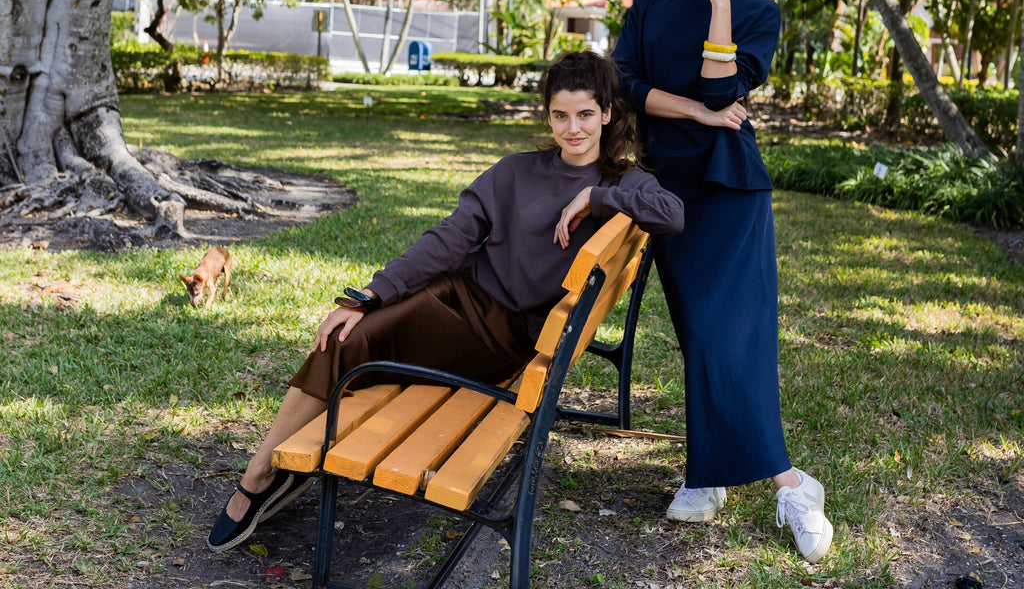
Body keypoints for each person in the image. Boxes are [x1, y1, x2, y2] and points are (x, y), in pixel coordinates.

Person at [207, 49, 685, 553]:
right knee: (347, 334)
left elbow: (671, 214)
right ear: (546, 113)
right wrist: (369, 294)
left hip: (501, 339)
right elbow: (450, 238)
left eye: (586, 114)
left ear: (608, 113)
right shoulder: (515, 172)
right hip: (457, 299)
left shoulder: (624, 181)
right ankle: (271, 468)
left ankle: (259, 478)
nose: (573, 129)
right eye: (560, 115)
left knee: (353, 346)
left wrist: (597, 198)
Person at [611, 0, 833, 563]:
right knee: (697, 336)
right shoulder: (650, 1)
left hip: (730, 188)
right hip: (665, 187)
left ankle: (787, 485)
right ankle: (710, 480)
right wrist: (699, 113)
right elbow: (622, 86)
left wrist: (718, 2)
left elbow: (723, 83)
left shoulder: (757, 10)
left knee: (729, 337)